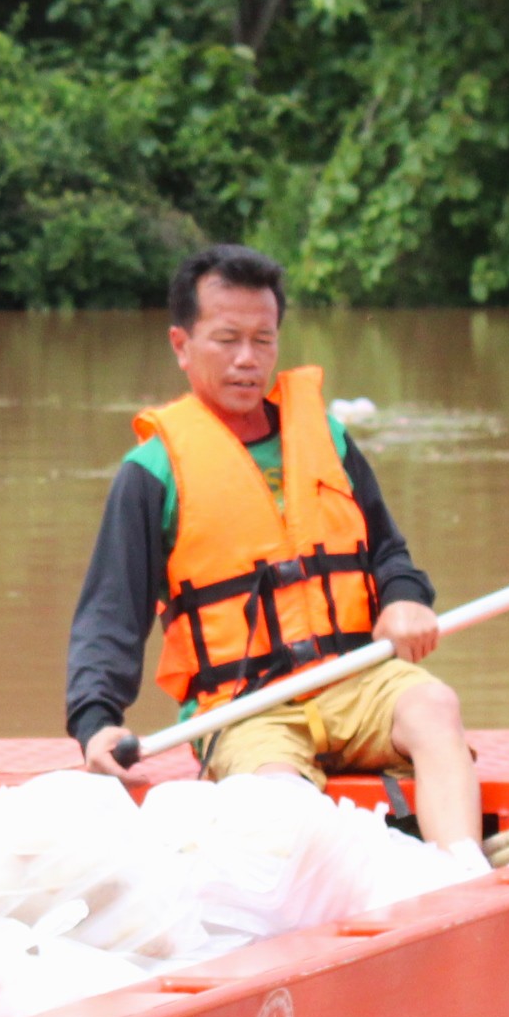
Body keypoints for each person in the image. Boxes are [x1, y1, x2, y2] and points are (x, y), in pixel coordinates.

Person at [64, 243, 478, 847]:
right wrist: (96, 722)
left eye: (263, 339)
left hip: (356, 678)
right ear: (181, 345)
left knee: (435, 706)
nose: (246, 360)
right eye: (226, 339)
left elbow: (387, 551)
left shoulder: (327, 439)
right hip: (243, 706)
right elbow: (110, 613)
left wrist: (405, 598)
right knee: (280, 802)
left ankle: (462, 879)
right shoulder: (151, 474)